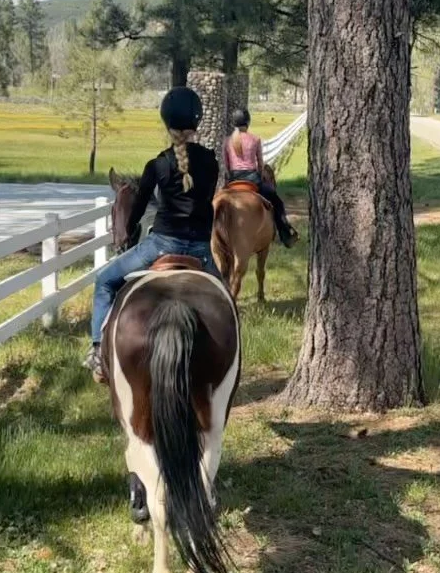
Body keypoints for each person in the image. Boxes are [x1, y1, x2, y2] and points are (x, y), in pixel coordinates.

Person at [83, 86, 220, 379]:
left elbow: (137, 209)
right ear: (197, 122)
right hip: (200, 251)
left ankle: (97, 350)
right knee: (227, 304)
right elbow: (204, 197)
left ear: (166, 122)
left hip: (160, 245)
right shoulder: (211, 162)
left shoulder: (157, 165)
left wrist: (130, 229)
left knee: (104, 281)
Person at [224, 108, 298, 247]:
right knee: (277, 202)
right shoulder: (255, 139)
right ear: (248, 122)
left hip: (233, 181)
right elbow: (260, 164)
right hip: (253, 180)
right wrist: (259, 174)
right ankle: (286, 235)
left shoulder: (227, 141)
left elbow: (227, 165)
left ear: (233, 123)